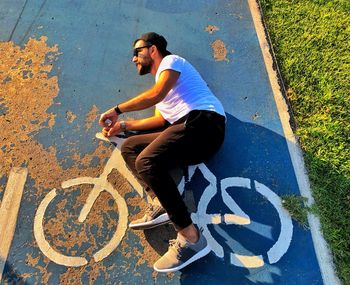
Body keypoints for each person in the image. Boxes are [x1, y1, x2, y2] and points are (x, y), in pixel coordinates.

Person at [99, 32, 226, 272]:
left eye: (137, 52)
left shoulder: (172, 62)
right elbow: (160, 120)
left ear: (153, 49)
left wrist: (117, 110)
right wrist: (123, 126)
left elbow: (156, 94)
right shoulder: (165, 91)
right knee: (130, 147)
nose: (134, 59)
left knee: (146, 160)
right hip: (187, 132)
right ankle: (160, 202)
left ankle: (191, 239)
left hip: (204, 124)